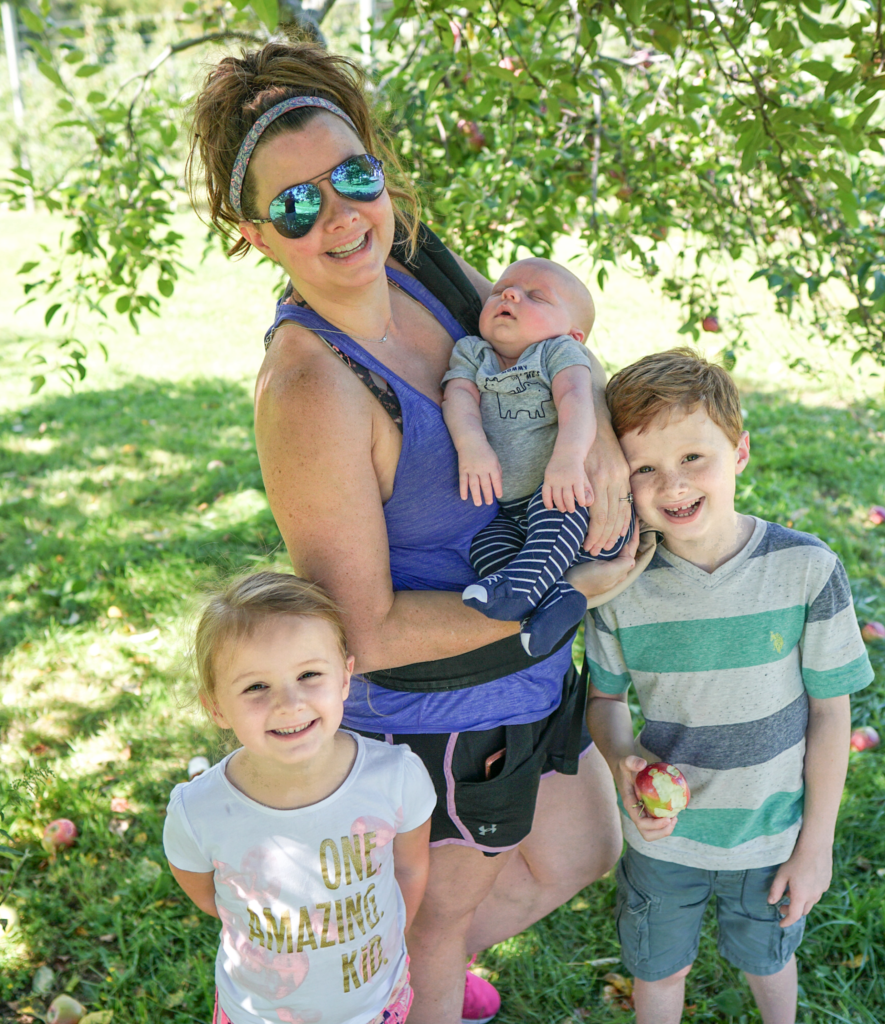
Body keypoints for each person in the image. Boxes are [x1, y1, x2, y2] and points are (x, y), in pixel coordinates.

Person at [187, 41, 640, 1024]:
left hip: (522, 668)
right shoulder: (312, 387)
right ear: (256, 234)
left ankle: (367, 972)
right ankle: (399, 988)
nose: (343, 215)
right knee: (440, 922)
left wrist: (591, 429)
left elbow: (548, 354)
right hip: (439, 715)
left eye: (354, 177)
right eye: (299, 205)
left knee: (580, 847)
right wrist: (570, 595)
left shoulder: (417, 263)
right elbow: (365, 629)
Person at [584, 348, 875, 1024]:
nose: (673, 484)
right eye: (645, 469)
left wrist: (816, 845)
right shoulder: (618, 586)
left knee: (768, 960)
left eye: (694, 458)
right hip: (665, 836)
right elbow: (604, 702)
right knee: (660, 970)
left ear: (738, 451)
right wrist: (623, 761)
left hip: (773, 828)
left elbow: (833, 714)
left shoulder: (805, 569)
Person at [163, 572, 435, 1024]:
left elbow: (409, 867)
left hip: (376, 1005)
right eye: (255, 687)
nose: (289, 703)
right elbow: (210, 897)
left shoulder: (396, 777)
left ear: (345, 677)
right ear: (215, 706)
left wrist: (388, 938)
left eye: (309, 674)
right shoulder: (198, 813)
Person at [442, 257, 635, 657]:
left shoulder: (557, 352)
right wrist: (471, 444)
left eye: (536, 297)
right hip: (512, 509)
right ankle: (557, 600)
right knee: (485, 543)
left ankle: (523, 590)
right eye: (500, 290)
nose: (509, 294)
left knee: (554, 512)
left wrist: (567, 459)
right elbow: (458, 397)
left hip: (567, 496)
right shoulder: (472, 352)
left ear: (573, 333)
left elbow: (576, 400)